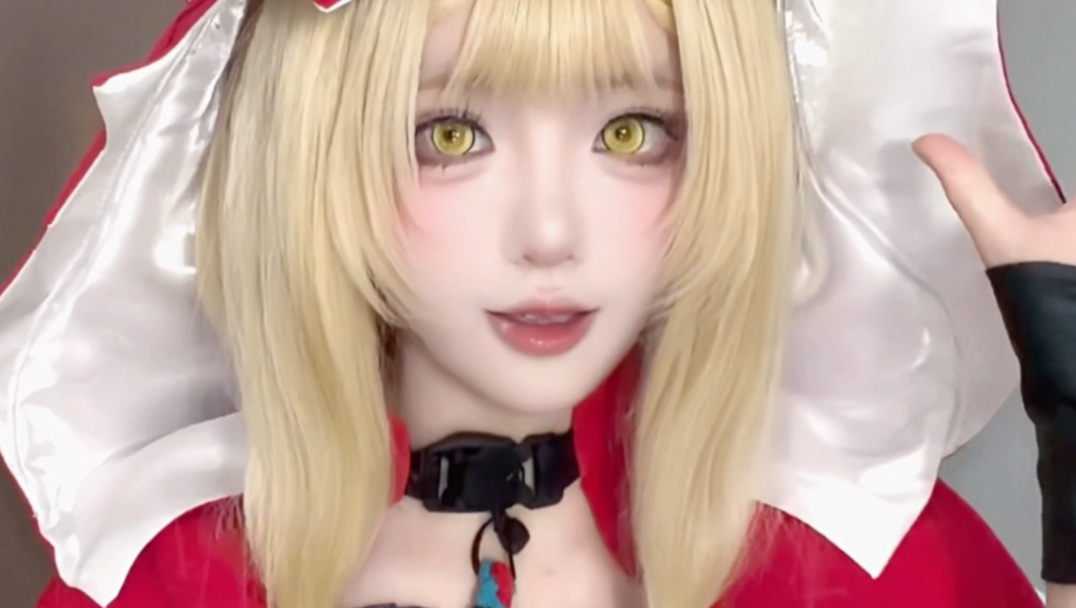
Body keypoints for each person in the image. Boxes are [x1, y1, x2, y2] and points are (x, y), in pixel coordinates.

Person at [0, 0, 1070, 607]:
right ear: (312, 158)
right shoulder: (180, 571)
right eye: (450, 135)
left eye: (632, 132)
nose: (551, 232)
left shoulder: (830, 555)